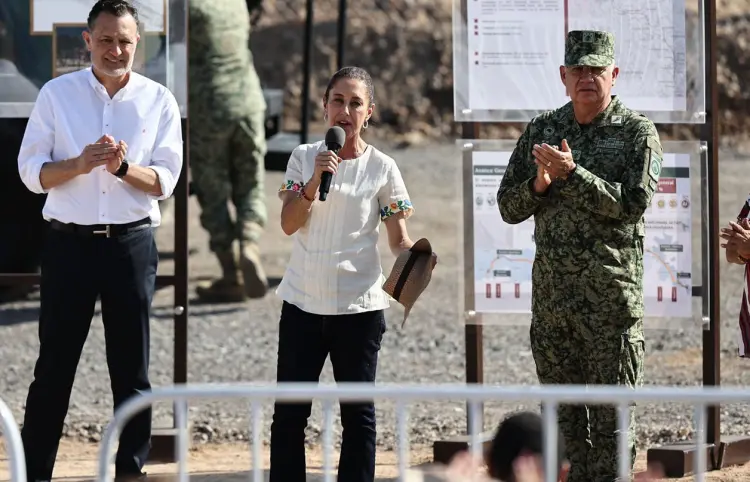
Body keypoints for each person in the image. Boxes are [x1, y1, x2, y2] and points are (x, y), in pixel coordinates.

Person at [15, 1, 183, 480]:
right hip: (69, 246)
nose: (115, 50)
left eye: (124, 41)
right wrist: (80, 163)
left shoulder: (159, 99)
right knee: (54, 367)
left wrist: (123, 168)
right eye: (106, 39)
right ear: (87, 41)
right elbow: (31, 173)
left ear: (138, 43)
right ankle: (35, 472)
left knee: (132, 369)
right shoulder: (56, 94)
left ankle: (130, 471)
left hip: (131, 245)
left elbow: (166, 180)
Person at [496, 30, 663, 482]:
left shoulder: (637, 133)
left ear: (614, 74)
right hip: (554, 307)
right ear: (564, 76)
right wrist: (539, 185)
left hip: (610, 308)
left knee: (612, 429)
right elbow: (507, 206)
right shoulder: (542, 130)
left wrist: (573, 174)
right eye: (579, 69)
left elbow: (632, 204)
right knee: (561, 431)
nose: (587, 77)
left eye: (597, 69)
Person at [268, 66, 435, 482]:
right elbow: (289, 223)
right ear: (324, 106)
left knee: (358, 418)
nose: (346, 110)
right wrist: (315, 181)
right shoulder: (303, 157)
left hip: (359, 309)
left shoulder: (383, 167)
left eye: (356, 103)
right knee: (289, 415)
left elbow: (398, 238)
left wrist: (416, 256)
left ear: (369, 112)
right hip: (303, 304)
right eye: (338, 101)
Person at [188, 0, 269, 302]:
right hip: (249, 101)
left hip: (209, 106)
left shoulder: (187, 7)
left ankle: (230, 272)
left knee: (213, 191)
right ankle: (250, 243)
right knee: (251, 181)